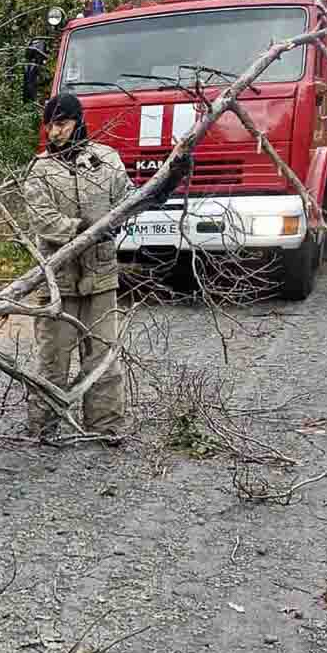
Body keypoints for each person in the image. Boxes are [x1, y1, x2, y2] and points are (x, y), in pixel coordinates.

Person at [21, 92, 190, 444]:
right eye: (50, 125)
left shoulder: (107, 161)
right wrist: (83, 230)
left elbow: (130, 202)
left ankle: (106, 427)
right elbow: (42, 219)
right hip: (59, 281)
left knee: (103, 358)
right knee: (52, 360)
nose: (55, 132)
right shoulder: (40, 170)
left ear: (79, 122)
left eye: (62, 123)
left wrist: (169, 179)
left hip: (100, 279)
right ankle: (42, 429)